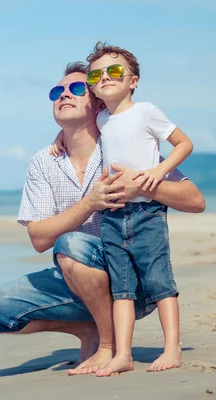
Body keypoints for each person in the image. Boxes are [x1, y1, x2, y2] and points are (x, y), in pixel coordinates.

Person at [0, 61, 205, 376]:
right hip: (75, 277)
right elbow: (39, 239)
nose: (64, 95)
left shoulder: (121, 144)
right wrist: (90, 203)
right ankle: (88, 329)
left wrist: (141, 185)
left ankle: (108, 347)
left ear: (98, 102)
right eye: (57, 91)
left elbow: (195, 200)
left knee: (72, 244)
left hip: (130, 279)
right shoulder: (42, 162)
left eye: (76, 89)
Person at [80, 42, 192, 376]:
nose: (105, 78)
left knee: (160, 282)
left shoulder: (146, 111)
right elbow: (90, 139)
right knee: (122, 289)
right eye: (96, 74)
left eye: (115, 71)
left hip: (147, 213)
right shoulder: (101, 119)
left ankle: (172, 348)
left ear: (133, 80)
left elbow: (184, 143)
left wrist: (159, 171)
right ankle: (123, 354)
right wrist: (60, 138)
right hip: (112, 215)